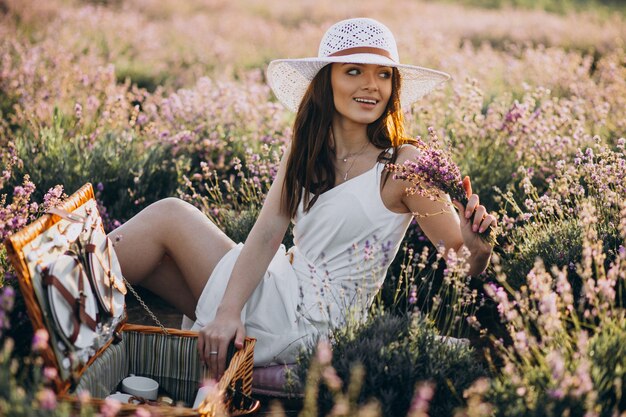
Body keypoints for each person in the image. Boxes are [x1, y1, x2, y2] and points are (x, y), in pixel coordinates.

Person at [109, 17, 496, 378]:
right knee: (149, 263)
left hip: (315, 324)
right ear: (327, 81)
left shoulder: (405, 163)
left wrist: (479, 249)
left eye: (383, 75)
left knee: (170, 216)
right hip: (283, 286)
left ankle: (55, 283)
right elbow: (267, 232)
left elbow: (461, 258)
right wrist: (229, 311)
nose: (371, 85)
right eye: (354, 71)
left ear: (394, 86)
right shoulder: (308, 146)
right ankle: (62, 314)